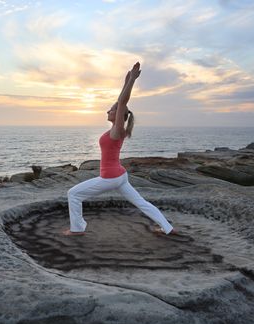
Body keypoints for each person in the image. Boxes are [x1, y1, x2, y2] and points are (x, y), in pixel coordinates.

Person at [62, 62, 178, 236]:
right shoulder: (116, 130)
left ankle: (77, 229)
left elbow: (122, 102)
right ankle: (167, 228)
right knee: (141, 202)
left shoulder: (118, 131)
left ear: (118, 116)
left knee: (73, 194)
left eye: (112, 110)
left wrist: (132, 80)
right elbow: (120, 102)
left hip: (110, 178)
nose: (108, 110)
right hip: (120, 176)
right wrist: (125, 81)